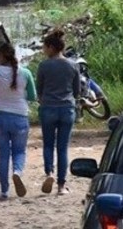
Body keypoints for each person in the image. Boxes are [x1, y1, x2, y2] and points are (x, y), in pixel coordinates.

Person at [0, 43, 37, 200]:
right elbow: (33, 96)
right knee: (19, 151)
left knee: (3, 154)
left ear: (1, 55)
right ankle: (17, 172)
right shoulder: (26, 73)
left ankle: (4, 191)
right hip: (20, 116)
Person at [36, 29, 81, 196]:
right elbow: (76, 91)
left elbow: (39, 89)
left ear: (51, 47)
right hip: (67, 108)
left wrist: (44, 99)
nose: (43, 50)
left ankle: (49, 174)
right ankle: (62, 186)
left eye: (44, 47)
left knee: (48, 144)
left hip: (48, 108)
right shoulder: (73, 65)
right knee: (63, 148)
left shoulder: (44, 65)